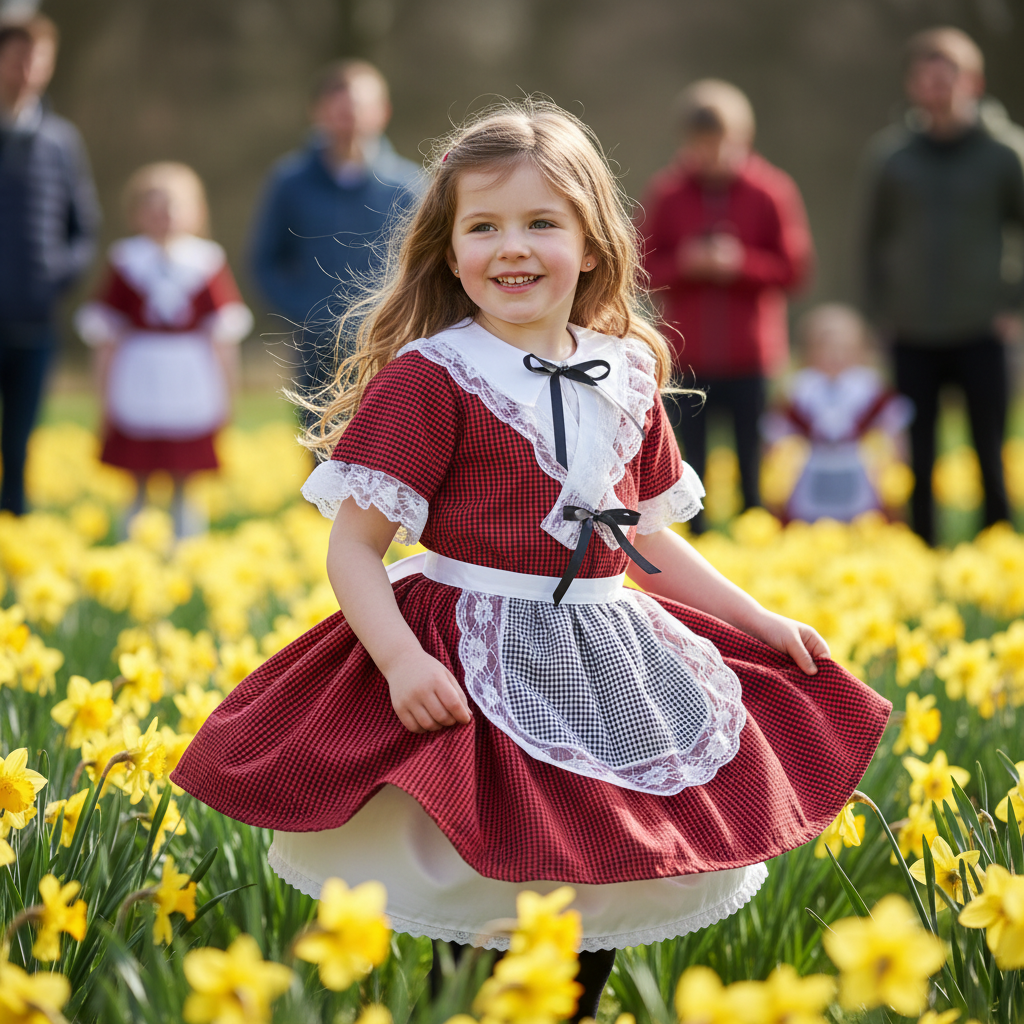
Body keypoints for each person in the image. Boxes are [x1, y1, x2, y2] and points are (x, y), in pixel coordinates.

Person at [171, 99, 889, 1019]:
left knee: (591, 902)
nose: (513, 247)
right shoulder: (433, 377)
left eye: (542, 223)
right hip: (469, 656)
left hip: (606, 654)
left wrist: (759, 620)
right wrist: (399, 659)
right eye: (485, 226)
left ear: (592, 244)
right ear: (450, 248)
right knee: (479, 913)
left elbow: (647, 538)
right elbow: (353, 548)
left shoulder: (628, 369)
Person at [862, 27, 1024, 545]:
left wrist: (1014, 305)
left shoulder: (1005, 154)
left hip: (983, 328)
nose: (936, 90)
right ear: (913, 85)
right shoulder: (892, 157)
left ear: (972, 81)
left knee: (989, 447)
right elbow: (872, 240)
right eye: (925, 79)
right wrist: (877, 315)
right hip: (912, 330)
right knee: (919, 451)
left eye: (946, 78)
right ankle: (923, 549)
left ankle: (999, 550)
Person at [641, 80, 813, 530]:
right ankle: (699, 544)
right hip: (687, 354)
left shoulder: (771, 191)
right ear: (686, 143)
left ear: (745, 139)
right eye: (701, 146)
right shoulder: (668, 194)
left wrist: (742, 264)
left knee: (750, 458)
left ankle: (753, 537)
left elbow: (794, 270)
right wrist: (687, 263)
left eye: (722, 145)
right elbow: (642, 269)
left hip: (751, 355)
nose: (712, 156)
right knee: (686, 463)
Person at [75, 162, 252, 536]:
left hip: (190, 379)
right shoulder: (125, 262)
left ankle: (186, 546)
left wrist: (228, 394)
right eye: (154, 207)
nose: (164, 217)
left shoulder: (207, 262)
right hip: (138, 377)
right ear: (136, 213)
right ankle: (132, 543)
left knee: (185, 475)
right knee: (137, 470)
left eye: (173, 206)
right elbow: (105, 335)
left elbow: (223, 337)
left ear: (195, 211)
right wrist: (103, 397)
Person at [250, 59, 421, 407]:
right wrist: (305, 313)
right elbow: (264, 261)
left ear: (382, 112)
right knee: (317, 451)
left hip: (389, 343)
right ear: (318, 113)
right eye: (340, 109)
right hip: (314, 348)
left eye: (360, 108)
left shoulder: (410, 186)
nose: (351, 118)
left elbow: (429, 262)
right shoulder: (289, 183)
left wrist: (405, 318)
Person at [0, 14, 99, 515]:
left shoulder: (61, 142)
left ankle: (15, 521)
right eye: (17, 57)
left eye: (38, 59)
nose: (27, 70)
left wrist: (53, 280)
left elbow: (83, 229)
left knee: (21, 437)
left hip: (36, 320)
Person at [761, 303, 913, 523]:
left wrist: (896, 461)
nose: (835, 355)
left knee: (866, 519)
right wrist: (774, 469)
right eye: (825, 348)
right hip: (814, 468)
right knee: (806, 520)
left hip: (857, 466)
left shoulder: (868, 386)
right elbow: (776, 428)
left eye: (844, 348)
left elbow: (892, 422)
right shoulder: (800, 387)